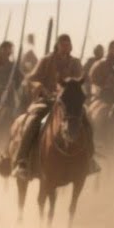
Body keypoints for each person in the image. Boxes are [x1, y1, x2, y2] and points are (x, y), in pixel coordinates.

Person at [10, 33, 90, 177]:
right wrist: (40, 86)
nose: (66, 47)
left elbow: (79, 80)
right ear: (57, 45)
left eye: (68, 44)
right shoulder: (47, 60)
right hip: (46, 100)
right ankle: (22, 159)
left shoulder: (75, 63)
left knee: (86, 120)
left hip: (67, 103)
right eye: (63, 44)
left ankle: (89, 159)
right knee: (33, 121)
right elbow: (31, 79)